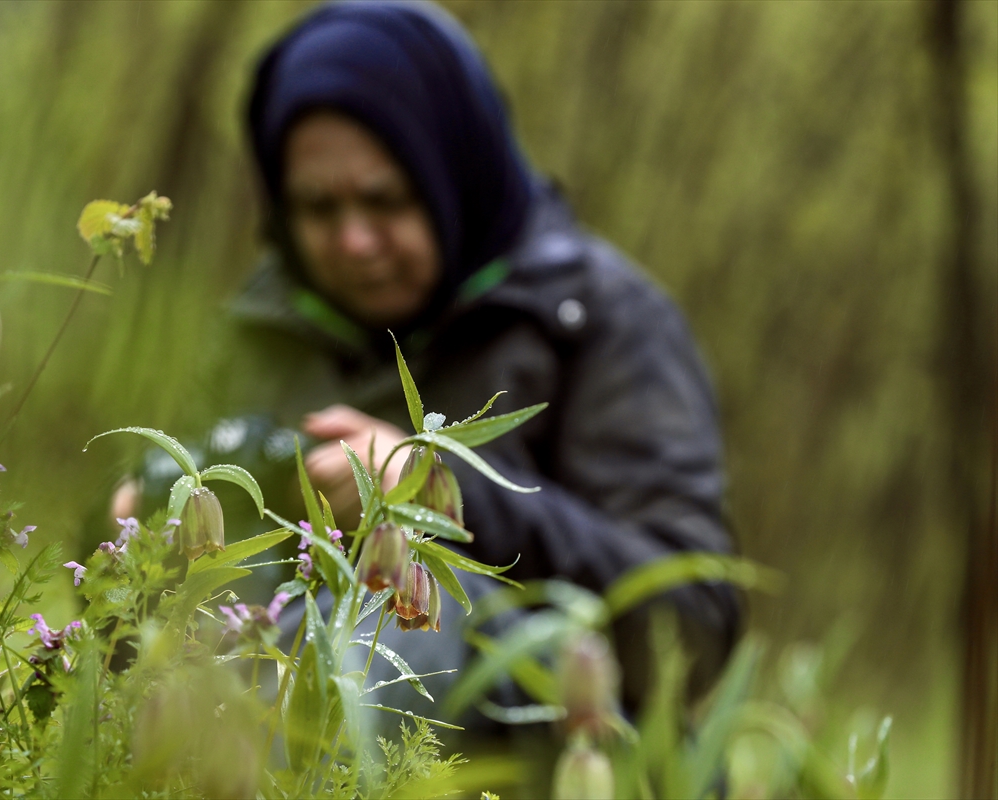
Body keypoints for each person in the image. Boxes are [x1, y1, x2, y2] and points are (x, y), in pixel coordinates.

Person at [121, 0, 739, 727]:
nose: (354, 242)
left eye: (388, 199)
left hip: (536, 746)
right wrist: (131, 528)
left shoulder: (601, 321)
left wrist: (441, 495)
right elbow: (113, 571)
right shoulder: (259, 321)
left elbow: (693, 628)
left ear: (456, 174)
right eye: (317, 209)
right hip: (245, 722)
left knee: (414, 626)